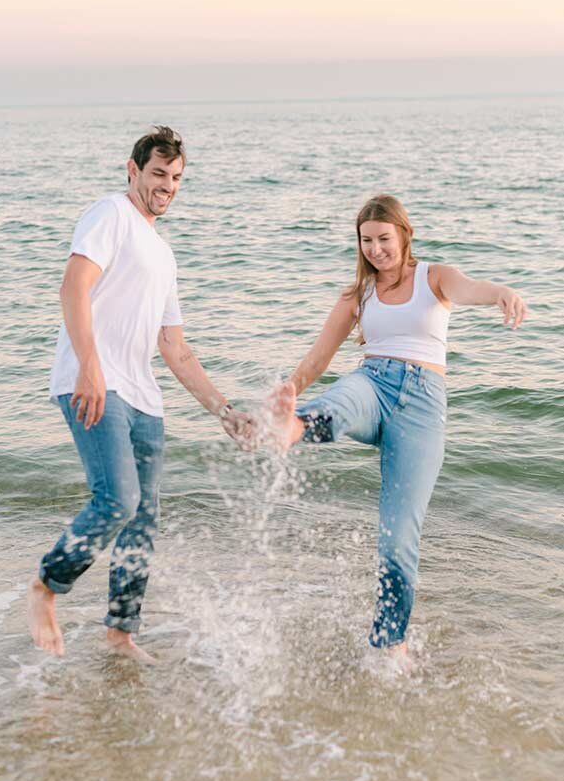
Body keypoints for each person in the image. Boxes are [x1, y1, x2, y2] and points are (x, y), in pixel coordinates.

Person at [257, 194, 526, 662]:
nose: (376, 249)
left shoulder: (433, 277)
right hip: (373, 382)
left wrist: (499, 292)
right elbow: (321, 356)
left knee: (399, 537)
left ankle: (389, 644)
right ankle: (294, 427)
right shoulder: (357, 294)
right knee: (341, 401)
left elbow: (468, 287)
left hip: (423, 406)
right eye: (367, 241)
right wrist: (292, 388)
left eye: (384, 238)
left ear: (404, 234)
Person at [27, 126, 246, 660]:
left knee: (142, 521)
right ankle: (45, 587)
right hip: (98, 385)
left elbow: (174, 346)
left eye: (175, 178)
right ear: (133, 169)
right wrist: (90, 368)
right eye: (157, 174)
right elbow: (73, 286)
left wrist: (223, 409)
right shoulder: (111, 214)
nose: (167, 186)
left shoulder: (163, 253)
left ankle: (120, 633)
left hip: (144, 398)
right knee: (117, 500)